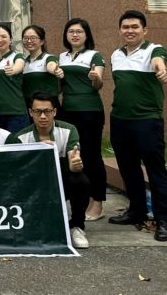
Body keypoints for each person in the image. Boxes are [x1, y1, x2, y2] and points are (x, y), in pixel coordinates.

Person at [107, 10, 167, 242]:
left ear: (144, 30)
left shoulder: (154, 49)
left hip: (147, 121)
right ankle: (137, 211)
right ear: (120, 30)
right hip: (120, 120)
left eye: (135, 27)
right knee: (128, 169)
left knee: (155, 170)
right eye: (125, 27)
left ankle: (163, 220)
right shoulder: (116, 54)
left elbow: (159, 60)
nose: (130, 31)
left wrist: (160, 68)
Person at [11, 92, 90, 249]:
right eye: (37, 111)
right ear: (30, 112)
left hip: (62, 182)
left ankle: (77, 226)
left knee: (80, 180)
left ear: (54, 112)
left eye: (47, 111)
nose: (42, 116)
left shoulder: (68, 130)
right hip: (35, 184)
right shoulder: (21, 137)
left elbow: (73, 159)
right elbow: (19, 173)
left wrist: (75, 164)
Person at [57, 18, 107, 221]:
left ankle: (98, 202)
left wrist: (96, 78)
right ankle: (79, 199)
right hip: (67, 112)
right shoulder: (61, 57)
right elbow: (60, 87)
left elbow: (98, 85)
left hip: (89, 111)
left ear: (87, 35)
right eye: (71, 31)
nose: (75, 35)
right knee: (71, 155)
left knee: (92, 156)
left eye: (79, 31)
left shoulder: (94, 55)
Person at [0, 24, 28, 134]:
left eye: (4, 36)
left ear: (11, 39)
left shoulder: (17, 56)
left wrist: (13, 70)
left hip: (16, 112)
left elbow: (20, 64)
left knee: (16, 144)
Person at [21, 25, 60, 99]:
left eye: (33, 38)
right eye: (25, 38)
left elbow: (51, 65)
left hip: (47, 104)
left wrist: (55, 70)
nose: (29, 41)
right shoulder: (23, 62)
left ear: (42, 41)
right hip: (28, 104)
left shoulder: (48, 58)